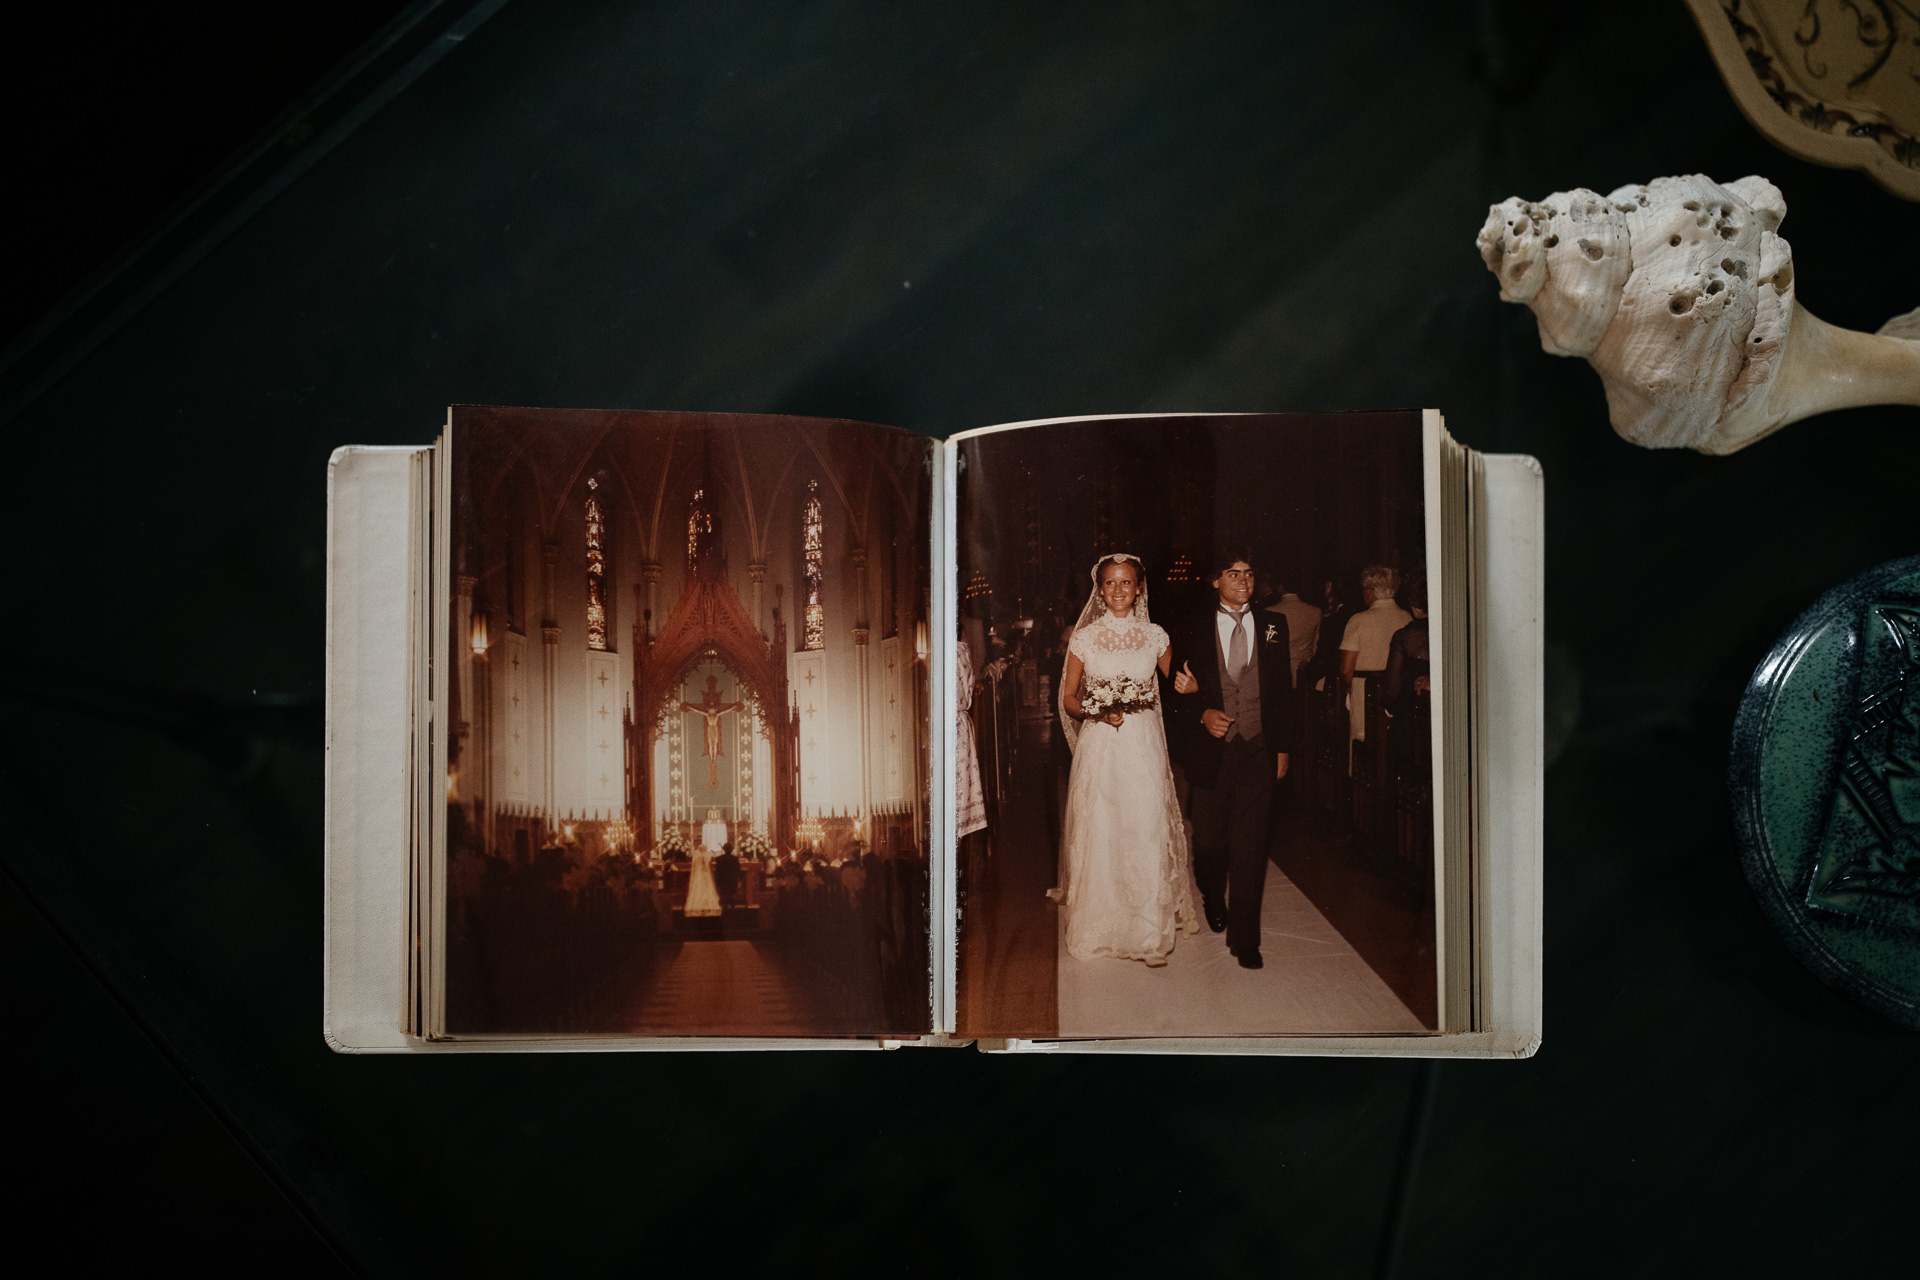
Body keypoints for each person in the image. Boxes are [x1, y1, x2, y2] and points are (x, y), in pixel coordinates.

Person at [1054, 553, 1197, 965]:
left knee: (1146, 825)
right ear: (1100, 590)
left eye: (1127, 583)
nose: (1119, 590)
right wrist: (1095, 710)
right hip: (1102, 743)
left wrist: (1190, 687)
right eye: (1111, 583)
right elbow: (1069, 697)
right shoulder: (1084, 639)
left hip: (1143, 742)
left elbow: (1177, 681)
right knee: (1104, 827)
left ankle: (1149, 934)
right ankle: (1101, 925)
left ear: (1139, 588)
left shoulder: (1155, 636)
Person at [1166, 549, 1299, 969]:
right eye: (1232, 573)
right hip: (1212, 752)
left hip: (1259, 746)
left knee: (1250, 843)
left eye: (1248, 572)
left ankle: (1246, 939)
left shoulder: (1275, 625)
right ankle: (1210, 891)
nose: (1243, 580)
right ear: (1214, 581)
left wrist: (1282, 746)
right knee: (1208, 840)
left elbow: (1282, 693)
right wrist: (1202, 712)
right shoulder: (1190, 628)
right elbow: (1175, 693)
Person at [1338, 565, 1413, 761]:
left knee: (1362, 745)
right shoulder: (1406, 617)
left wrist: (1348, 690)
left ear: (1370, 592)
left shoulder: (1359, 620)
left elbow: (1346, 669)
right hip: (1397, 691)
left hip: (1364, 691)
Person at [1264, 577, 1323, 684]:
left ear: (1280, 587)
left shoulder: (1270, 611)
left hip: (1279, 673)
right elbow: (1316, 643)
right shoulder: (1315, 611)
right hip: (1305, 670)